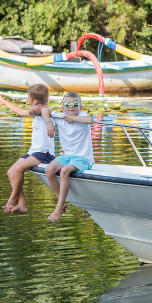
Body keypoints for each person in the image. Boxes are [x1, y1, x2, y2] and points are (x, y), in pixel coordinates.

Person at [0, 85, 55, 214]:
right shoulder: (39, 110)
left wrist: (46, 120)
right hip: (33, 152)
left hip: (44, 153)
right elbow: (21, 112)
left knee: (19, 168)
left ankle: (12, 199)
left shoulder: (44, 110)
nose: (28, 104)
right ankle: (22, 204)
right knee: (11, 172)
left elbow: (28, 111)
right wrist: (4, 102)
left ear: (35, 102)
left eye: (29, 99)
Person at [44, 92, 94, 222]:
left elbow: (90, 120)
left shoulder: (82, 116)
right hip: (67, 156)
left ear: (80, 107)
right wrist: (49, 123)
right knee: (49, 170)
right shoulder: (59, 117)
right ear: (63, 108)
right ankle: (62, 203)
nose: (71, 107)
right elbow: (44, 110)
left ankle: (59, 207)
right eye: (68, 105)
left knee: (64, 171)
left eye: (75, 104)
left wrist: (73, 118)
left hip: (83, 157)